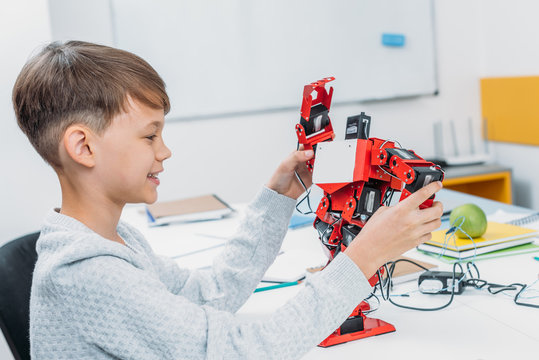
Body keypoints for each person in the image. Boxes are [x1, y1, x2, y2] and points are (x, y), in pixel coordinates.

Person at [13, 41, 443, 359]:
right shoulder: (89, 275)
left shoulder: (113, 240)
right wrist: (362, 259)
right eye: (150, 135)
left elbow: (209, 295)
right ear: (83, 147)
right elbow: (238, 351)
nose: (164, 151)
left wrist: (277, 199)